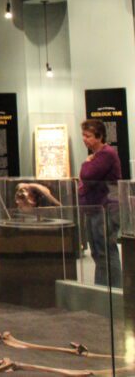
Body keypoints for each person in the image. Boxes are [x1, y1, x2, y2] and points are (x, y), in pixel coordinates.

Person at [79, 118, 122, 286]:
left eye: (88, 135)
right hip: (95, 209)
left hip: (105, 210)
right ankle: (103, 290)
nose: (84, 139)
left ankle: (114, 291)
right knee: (98, 252)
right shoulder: (97, 155)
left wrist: (86, 163)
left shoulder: (106, 154)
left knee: (105, 250)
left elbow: (88, 174)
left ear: (99, 136)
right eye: (83, 135)